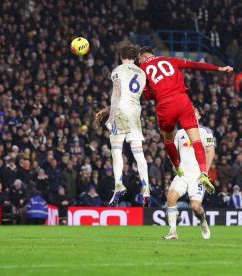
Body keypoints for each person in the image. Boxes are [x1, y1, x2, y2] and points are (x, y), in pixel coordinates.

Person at [138, 46, 232, 193]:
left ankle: (177, 167)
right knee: (196, 141)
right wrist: (219, 68)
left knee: (168, 140)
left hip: (165, 105)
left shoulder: (142, 68)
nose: (139, 61)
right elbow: (196, 65)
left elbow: (148, 96)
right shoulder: (170, 60)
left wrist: (148, 89)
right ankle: (204, 173)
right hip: (182, 100)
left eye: (139, 59)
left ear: (143, 56)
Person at [96, 43, 150, 207]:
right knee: (138, 152)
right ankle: (146, 189)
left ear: (121, 57)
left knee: (116, 150)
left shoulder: (118, 70)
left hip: (120, 111)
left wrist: (111, 116)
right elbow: (131, 95)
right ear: (135, 58)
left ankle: (118, 185)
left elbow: (118, 93)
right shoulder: (142, 73)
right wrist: (107, 110)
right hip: (135, 112)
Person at [164, 108, 215, 240]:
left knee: (195, 207)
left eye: (195, 112)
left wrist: (205, 173)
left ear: (199, 116)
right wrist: (175, 165)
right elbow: (172, 152)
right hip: (183, 174)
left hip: (197, 176)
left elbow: (210, 152)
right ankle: (173, 232)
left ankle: (203, 221)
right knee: (170, 198)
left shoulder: (205, 132)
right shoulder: (180, 133)